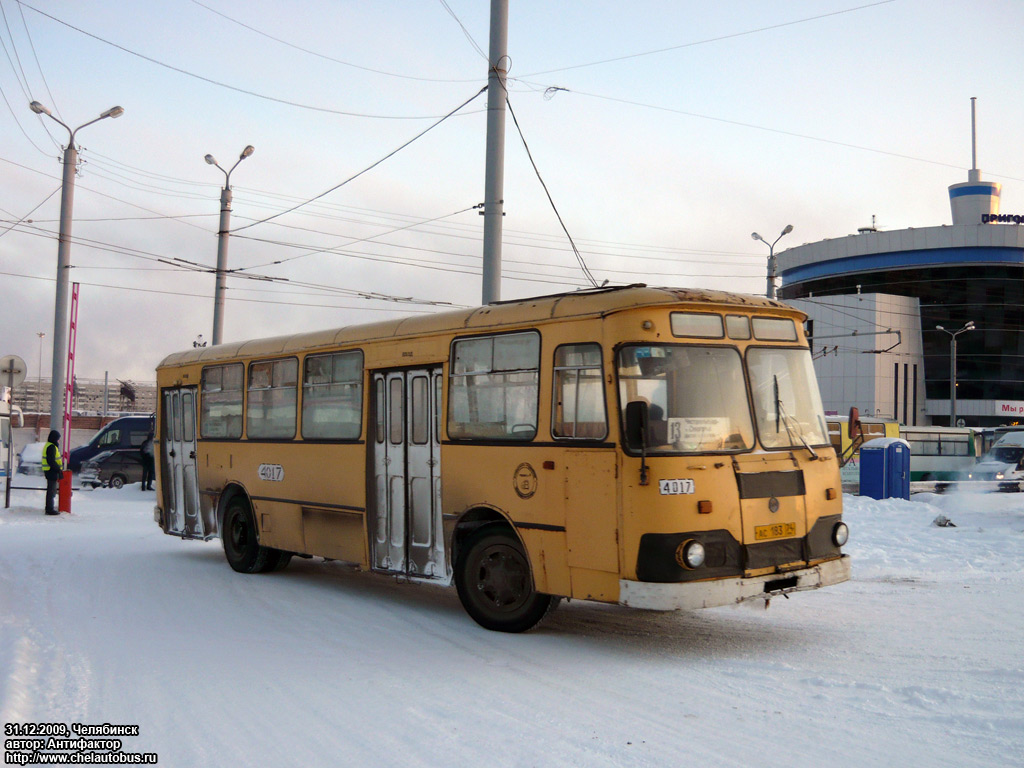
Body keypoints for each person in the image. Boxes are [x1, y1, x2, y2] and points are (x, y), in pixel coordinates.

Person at [42, 429, 63, 515]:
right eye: (58, 438)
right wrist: (58, 469)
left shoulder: (49, 445)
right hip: (51, 471)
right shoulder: (52, 447)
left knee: (51, 490)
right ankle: (49, 509)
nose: (58, 440)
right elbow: (51, 461)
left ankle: (49, 507)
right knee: (51, 491)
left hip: (49, 471)